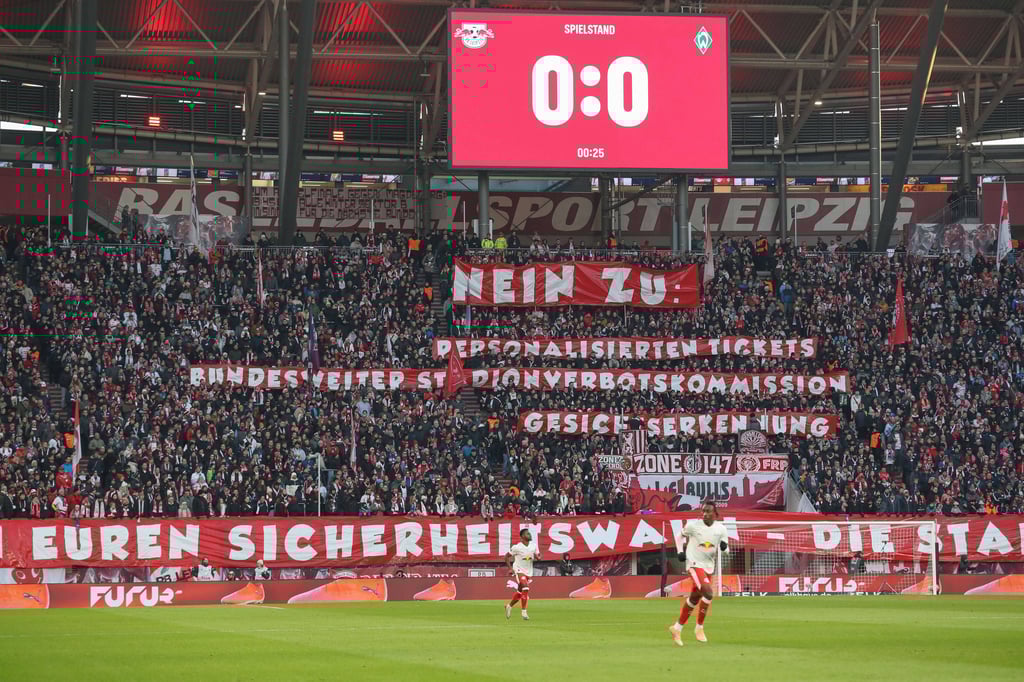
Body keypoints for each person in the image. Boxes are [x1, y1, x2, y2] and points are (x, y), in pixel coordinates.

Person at [669, 500, 728, 646]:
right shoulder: (693, 526)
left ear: (715, 514)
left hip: (709, 566)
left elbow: (726, 550)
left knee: (695, 598)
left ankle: (677, 628)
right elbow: (679, 536)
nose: (705, 514)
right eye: (703, 511)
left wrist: (724, 547)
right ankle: (699, 627)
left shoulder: (721, 529)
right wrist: (680, 551)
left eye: (708, 511)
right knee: (708, 593)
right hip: (694, 564)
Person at [505, 528, 541, 621]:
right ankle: (524, 612)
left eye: (529, 533)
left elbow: (538, 556)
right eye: (527, 534)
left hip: (529, 571)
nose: (530, 535)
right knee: (526, 587)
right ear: (522, 537)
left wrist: (538, 557)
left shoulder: (534, 546)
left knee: (520, 592)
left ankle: (509, 606)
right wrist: (510, 568)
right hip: (518, 570)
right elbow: (506, 557)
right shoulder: (517, 547)